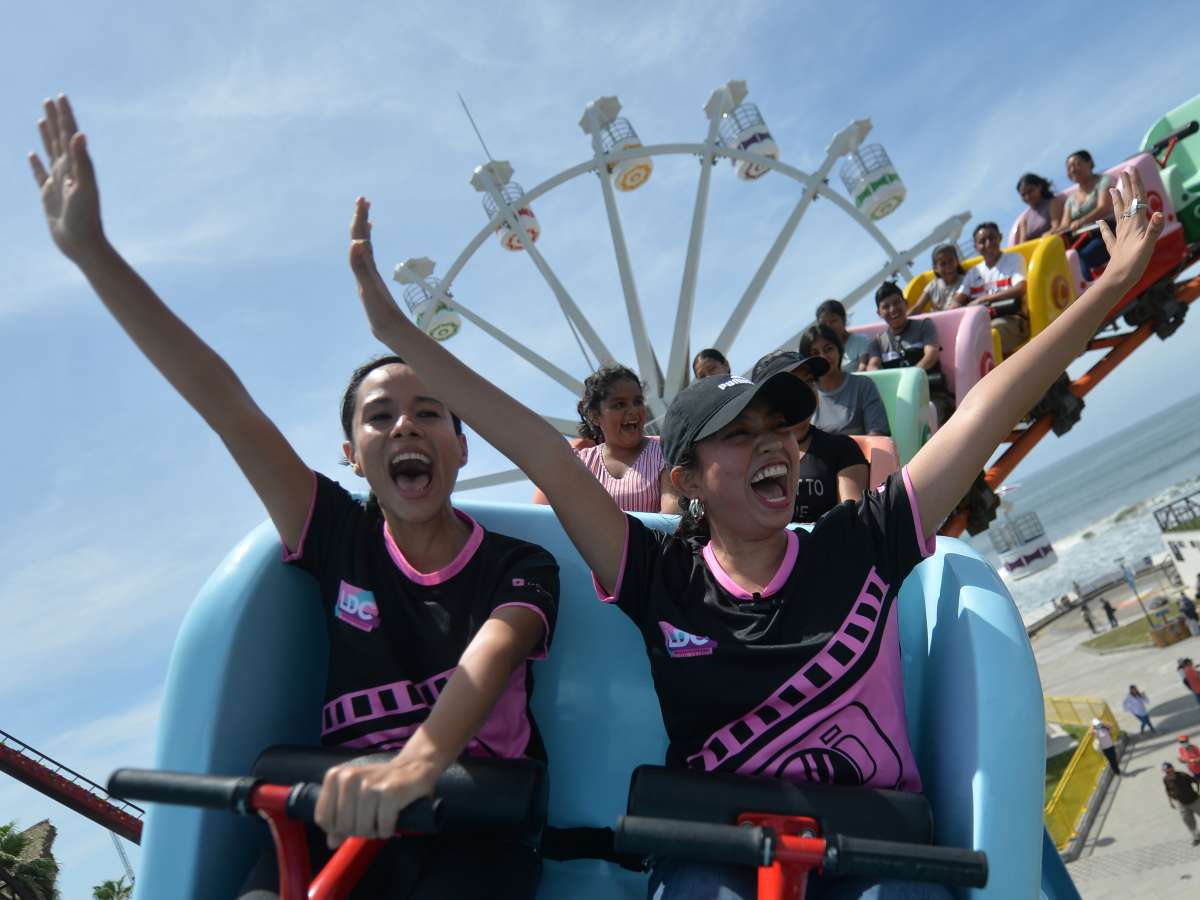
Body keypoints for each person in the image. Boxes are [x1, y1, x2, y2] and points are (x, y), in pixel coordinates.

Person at [347, 160, 1162, 898]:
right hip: (715, 848)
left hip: (871, 847)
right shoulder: (659, 573)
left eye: (782, 428)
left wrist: (1110, 285)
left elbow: (987, 408)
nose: (772, 443)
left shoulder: (862, 542)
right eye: (739, 434)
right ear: (686, 479)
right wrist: (398, 335)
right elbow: (537, 446)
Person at [29, 96, 557, 900]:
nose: (405, 426)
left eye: (429, 413)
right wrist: (93, 254)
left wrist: (411, 768)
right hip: (328, 809)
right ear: (353, 456)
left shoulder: (521, 566)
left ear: (462, 445)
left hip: (468, 818)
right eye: (380, 417)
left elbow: (483, 667)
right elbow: (225, 404)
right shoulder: (337, 536)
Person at [750, 351, 868, 524]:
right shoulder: (745, 455)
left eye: (809, 381)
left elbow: (853, 521)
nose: (804, 391)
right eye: (790, 385)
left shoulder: (842, 448)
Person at [572, 365, 679, 514]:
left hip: (657, 537)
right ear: (595, 416)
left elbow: (672, 509)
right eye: (619, 404)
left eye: (637, 402)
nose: (633, 410)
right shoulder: (582, 463)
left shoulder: (664, 449)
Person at [866, 283, 954, 427]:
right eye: (886, 307)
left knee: (921, 418)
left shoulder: (924, 326)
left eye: (896, 303)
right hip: (899, 403)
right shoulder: (877, 342)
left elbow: (931, 354)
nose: (893, 309)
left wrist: (910, 380)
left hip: (931, 396)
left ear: (905, 303)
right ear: (879, 313)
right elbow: (872, 366)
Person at [800, 324, 891, 437]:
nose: (823, 357)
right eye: (815, 354)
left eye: (828, 349)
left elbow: (877, 434)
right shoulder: (804, 397)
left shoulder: (863, 385)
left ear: (839, 349)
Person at [954, 222, 1030, 358]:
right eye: (982, 241)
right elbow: (958, 301)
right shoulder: (974, 272)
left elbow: (1020, 288)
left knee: (987, 334)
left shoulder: (1013, 259)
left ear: (1000, 238)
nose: (988, 244)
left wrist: (984, 299)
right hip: (981, 322)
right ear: (976, 247)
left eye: (992, 238)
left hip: (1011, 319)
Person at [1053, 150, 1114, 279]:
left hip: (1107, 231)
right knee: (1067, 259)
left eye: (1077, 164)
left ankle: (1090, 293)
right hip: (1085, 238)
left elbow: (1103, 207)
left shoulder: (1103, 180)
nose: (1073, 170)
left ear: (1090, 163)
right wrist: (1050, 234)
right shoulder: (1071, 199)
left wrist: (1082, 221)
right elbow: (1065, 225)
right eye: (1069, 168)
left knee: (1080, 258)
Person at [815, 299, 870, 373]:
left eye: (833, 321)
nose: (829, 326)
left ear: (844, 319)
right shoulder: (819, 351)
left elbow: (863, 368)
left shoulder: (860, 341)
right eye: (824, 324)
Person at [910, 245, 968, 314]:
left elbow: (953, 309)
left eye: (951, 261)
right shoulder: (932, 286)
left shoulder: (965, 282)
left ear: (957, 261)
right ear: (935, 268)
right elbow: (917, 307)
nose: (948, 266)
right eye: (943, 264)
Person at [1011, 173, 1065, 244]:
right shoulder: (1024, 219)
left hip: (1053, 245)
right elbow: (1023, 243)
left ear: (1039, 187)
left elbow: (1056, 227)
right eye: (1023, 195)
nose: (1028, 197)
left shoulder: (1052, 203)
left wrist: (1047, 236)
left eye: (1030, 191)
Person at [1161, 762, 1200, 845]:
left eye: (1169, 771)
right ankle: (1196, 837)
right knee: (1187, 821)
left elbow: (1196, 781)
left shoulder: (1183, 775)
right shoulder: (1165, 779)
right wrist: (1170, 802)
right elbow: (1168, 790)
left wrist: (1198, 791)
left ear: (1173, 769)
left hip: (1194, 800)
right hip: (1181, 803)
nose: (1168, 773)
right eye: (1166, 772)